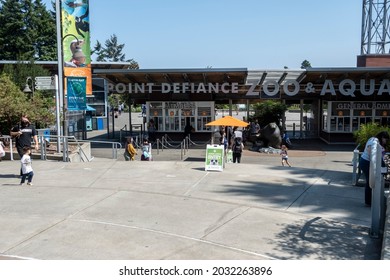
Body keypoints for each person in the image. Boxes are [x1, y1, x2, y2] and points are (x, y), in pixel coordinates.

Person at [359, 131, 390, 206]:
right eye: (386, 140)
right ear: (382, 137)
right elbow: (373, 154)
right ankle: (369, 202)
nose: (386, 142)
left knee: (370, 181)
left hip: (364, 161)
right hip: (367, 162)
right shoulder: (375, 142)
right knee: (371, 181)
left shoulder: (373, 139)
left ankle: (369, 201)